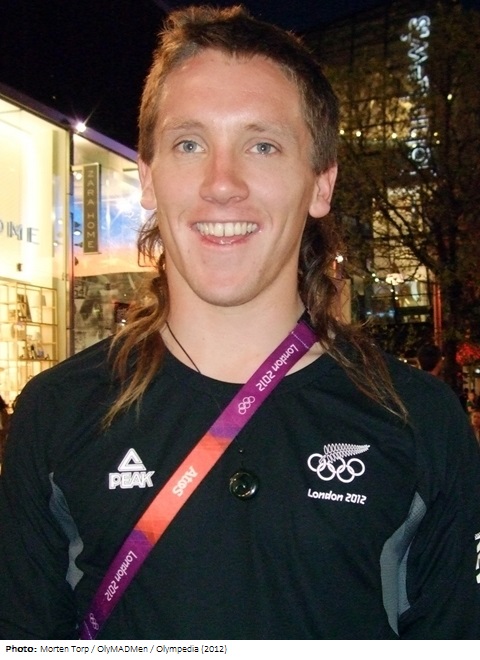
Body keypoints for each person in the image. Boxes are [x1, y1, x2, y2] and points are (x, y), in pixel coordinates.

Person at [1, 5, 479, 641]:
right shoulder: (56, 414)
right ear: (148, 178)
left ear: (320, 184)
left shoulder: (419, 421)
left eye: (262, 145)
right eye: (189, 144)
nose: (222, 183)